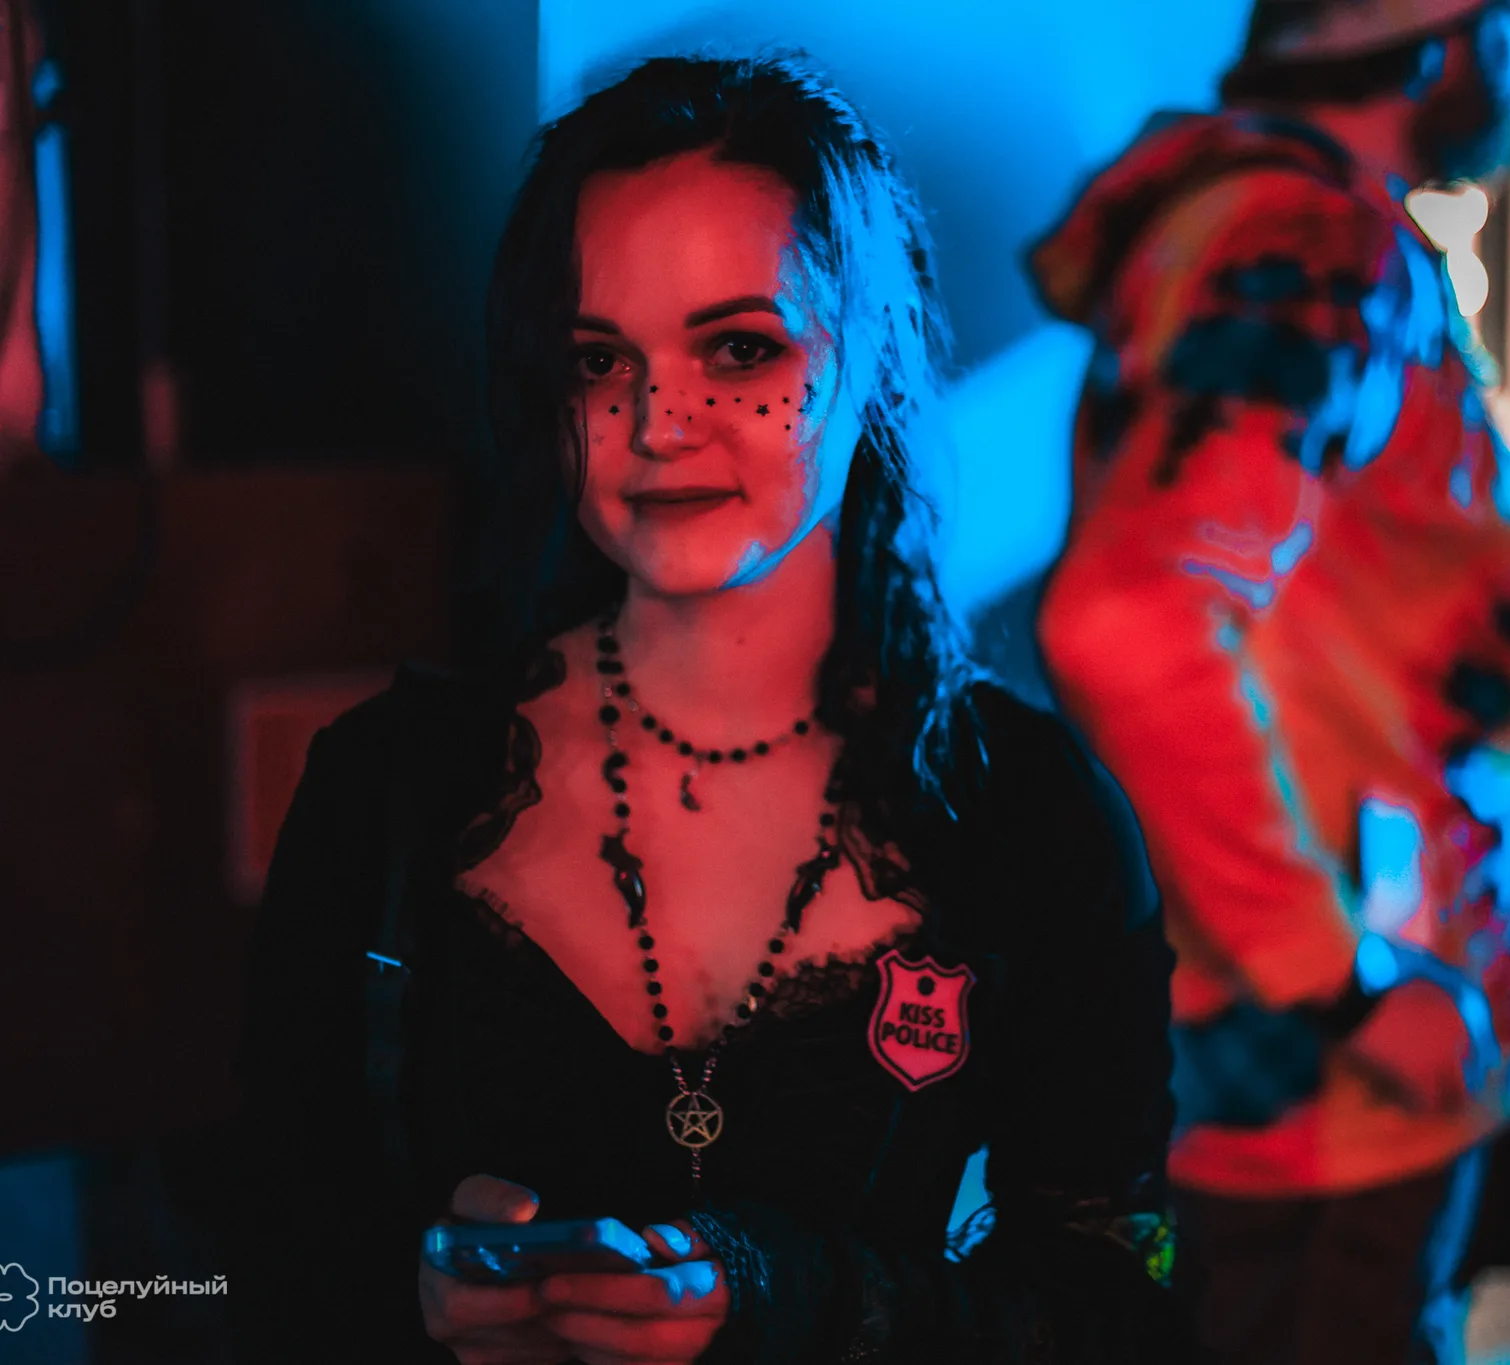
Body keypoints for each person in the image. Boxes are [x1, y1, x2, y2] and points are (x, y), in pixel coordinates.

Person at [225, 54, 1183, 1365]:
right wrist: (415, 1291)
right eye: (598, 358)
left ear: (868, 356)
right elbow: (251, 1255)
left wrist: (788, 1294)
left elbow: (1118, 1304)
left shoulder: (1031, 818)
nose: (659, 422)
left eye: (739, 348)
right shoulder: (385, 790)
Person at [1026, 1, 1510, 1360]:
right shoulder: (1309, 241)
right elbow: (1133, 620)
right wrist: (1347, 985)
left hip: (1317, 1069)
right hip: (1321, 1094)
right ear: (1443, 45)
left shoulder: (1289, 228)